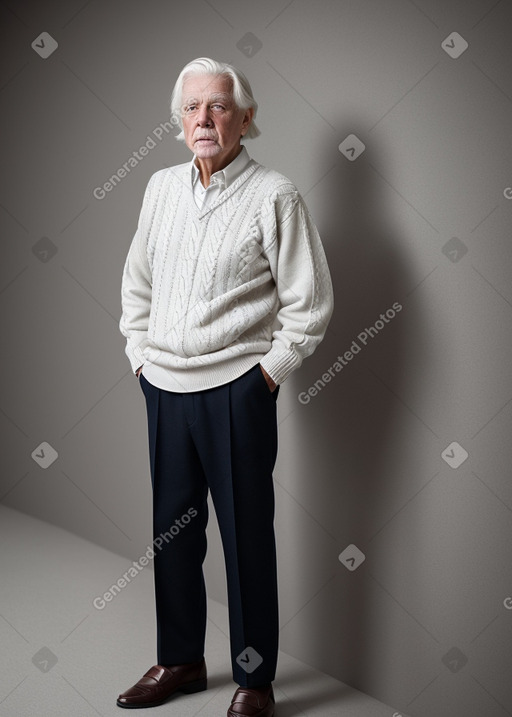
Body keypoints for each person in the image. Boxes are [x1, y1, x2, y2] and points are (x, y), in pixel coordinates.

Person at [117, 57, 334, 717]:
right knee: (171, 535)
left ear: (245, 117)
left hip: (237, 390)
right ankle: (180, 659)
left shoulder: (275, 195)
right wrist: (139, 358)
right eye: (192, 108)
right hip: (164, 390)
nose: (204, 119)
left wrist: (266, 375)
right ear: (180, 121)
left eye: (217, 106)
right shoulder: (157, 188)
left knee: (245, 536)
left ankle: (253, 677)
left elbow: (311, 303)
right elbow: (137, 285)